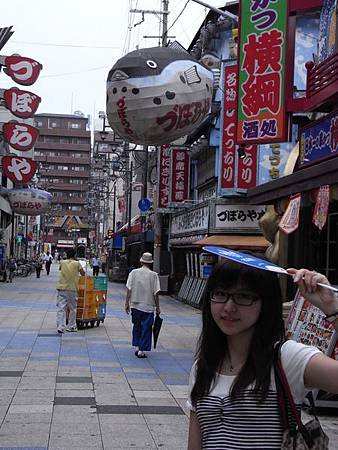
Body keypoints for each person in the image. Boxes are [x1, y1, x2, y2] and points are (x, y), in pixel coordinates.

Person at [187, 258, 338, 449]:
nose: (228, 307)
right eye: (220, 294)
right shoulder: (202, 368)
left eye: (243, 296)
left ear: (266, 302)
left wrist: (331, 308)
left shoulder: (288, 358)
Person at [125, 252, 161, 358]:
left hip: (135, 304)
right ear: (150, 263)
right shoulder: (154, 275)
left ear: (141, 261)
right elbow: (156, 293)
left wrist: (127, 302)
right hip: (148, 306)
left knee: (136, 325)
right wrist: (158, 307)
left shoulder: (133, 273)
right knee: (146, 327)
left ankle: (137, 346)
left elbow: (129, 288)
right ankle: (141, 350)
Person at [56, 247, 85, 333]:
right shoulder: (77, 263)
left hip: (62, 288)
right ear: (75, 255)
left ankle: (60, 326)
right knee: (72, 308)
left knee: (61, 308)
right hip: (73, 289)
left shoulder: (62, 262)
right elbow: (83, 273)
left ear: (66, 255)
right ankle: (71, 326)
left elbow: (60, 269)